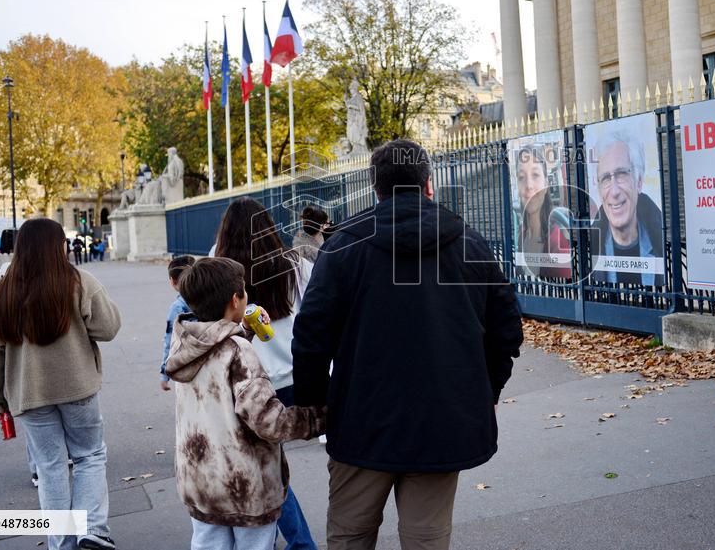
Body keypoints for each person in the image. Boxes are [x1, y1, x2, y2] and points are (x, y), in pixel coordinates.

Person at [292, 139, 524, 550]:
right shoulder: (469, 242)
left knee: (348, 536)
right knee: (427, 539)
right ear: (428, 184)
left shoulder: (344, 245)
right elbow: (505, 329)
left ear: (375, 187)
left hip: (361, 419)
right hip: (442, 420)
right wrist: (488, 389)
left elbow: (311, 332)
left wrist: (317, 402)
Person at [165, 257, 325, 550]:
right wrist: (314, 418)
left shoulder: (183, 341)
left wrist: (243, 332)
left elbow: (214, 362)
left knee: (208, 543)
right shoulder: (239, 352)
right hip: (243, 484)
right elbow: (268, 421)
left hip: (201, 480)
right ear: (236, 300)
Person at [0, 218, 122, 550]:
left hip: (30, 394)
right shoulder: (79, 282)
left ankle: (63, 542)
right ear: (58, 246)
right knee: (89, 455)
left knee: (50, 468)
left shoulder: (3, 294)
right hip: (78, 387)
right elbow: (109, 327)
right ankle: (92, 529)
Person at [214, 197, 318, 550]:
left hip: (251, 383)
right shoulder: (295, 265)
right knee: (274, 467)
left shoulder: (222, 270)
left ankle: (299, 542)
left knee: (268, 470)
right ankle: (289, 540)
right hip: (296, 377)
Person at [589, 128, 665, 286]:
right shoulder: (591, 249)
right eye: (605, 178)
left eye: (622, 174)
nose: (614, 191)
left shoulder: (660, 244)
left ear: (639, 181)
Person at [514, 144, 571, 278]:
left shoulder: (556, 240)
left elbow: (564, 292)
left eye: (535, 175)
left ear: (546, 184)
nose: (528, 186)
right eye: (521, 177)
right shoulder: (522, 235)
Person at [160, 255, 194, 392]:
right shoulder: (207, 299)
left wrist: (164, 373)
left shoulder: (177, 307)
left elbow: (170, 339)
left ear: (172, 281)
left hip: (186, 364)